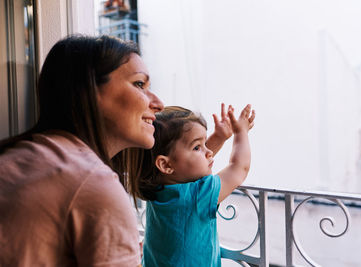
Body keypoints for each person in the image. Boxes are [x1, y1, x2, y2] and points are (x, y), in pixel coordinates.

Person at [0, 35, 164, 266]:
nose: (158, 103)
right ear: (89, 90)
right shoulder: (92, 183)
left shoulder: (27, 156)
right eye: (139, 84)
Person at [135, 104, 255, 266]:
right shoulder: (199, 195)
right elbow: (239, 168)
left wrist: (218, 137)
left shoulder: (157, 186)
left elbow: (187, 166)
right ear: (165, 165)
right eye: (197, 147)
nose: (209, 152)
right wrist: (241, 132)